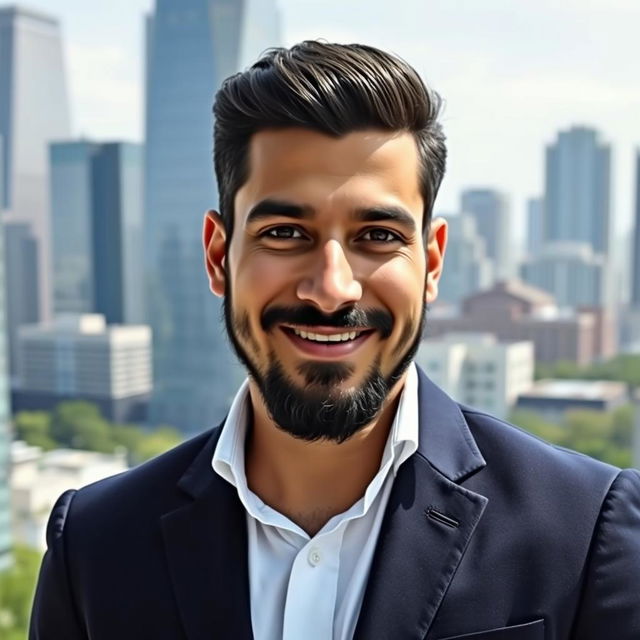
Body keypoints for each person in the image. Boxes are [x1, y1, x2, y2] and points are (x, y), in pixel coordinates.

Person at [30, 41, 639, 640]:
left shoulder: (588, 530)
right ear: (219, 255)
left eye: (376, 235)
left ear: (431, 264)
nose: (331, 289)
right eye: (286, 231)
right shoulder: (93, 545)